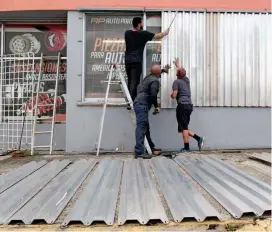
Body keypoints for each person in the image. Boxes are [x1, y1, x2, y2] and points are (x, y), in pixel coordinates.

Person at [124, 17, 169, 105]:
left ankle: (129, 101)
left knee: (130, 81)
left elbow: (132, 34)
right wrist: (165, 32)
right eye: (142, 23)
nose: (143, 25)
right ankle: (132, 102)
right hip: (136, 62)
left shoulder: (127, 33)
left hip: (127, 61)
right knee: (134, 82)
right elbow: (158, 36)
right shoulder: (143, 34)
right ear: (139, 24)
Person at [133, 64, 170, 159]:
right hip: (142, 104)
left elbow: (155, 72)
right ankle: (139, 152)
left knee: (145, 127)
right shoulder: (155, 81)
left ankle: (150, 147)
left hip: (139, 103)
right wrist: (157, 107)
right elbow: (153, 95)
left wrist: (163, 70)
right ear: (158, 74)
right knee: (141, 127)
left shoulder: (148, 77)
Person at [170, 58, 204, 153]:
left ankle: (186, 148)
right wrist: (178, 65)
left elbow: (174, 95)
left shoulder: (176, 82)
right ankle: (199, 138)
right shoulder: (186, 80)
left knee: (184, 128)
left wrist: (172, 95)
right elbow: (182, 71)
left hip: (182, 106)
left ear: (177, 74)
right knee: (183, 128)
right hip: (189, 106)